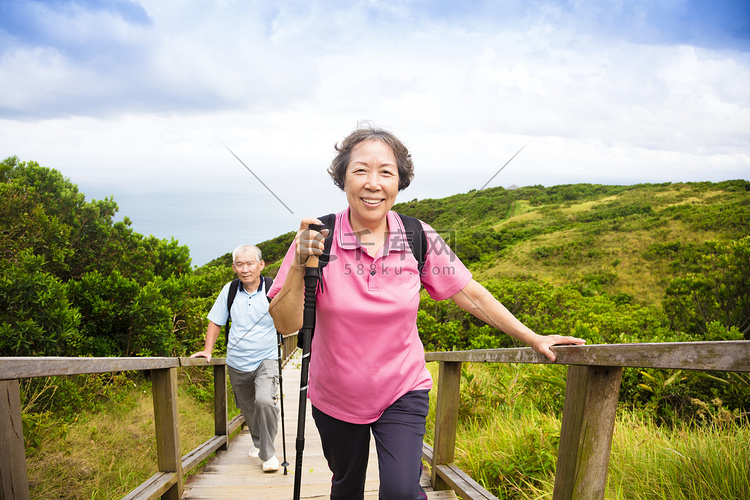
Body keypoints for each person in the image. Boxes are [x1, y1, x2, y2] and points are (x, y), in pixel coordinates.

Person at [268, 125, 585, 499]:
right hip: (335, 394)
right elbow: (287, 323)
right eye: (360, 170)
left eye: (386, 172)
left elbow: (472, 295)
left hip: (402, 388)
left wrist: (532, 337)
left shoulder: (418, 237)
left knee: (402, 492)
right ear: (342, 178)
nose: (373, 183)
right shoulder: (317, 237)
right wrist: (296, 266)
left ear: (400, 182)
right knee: (346, 487)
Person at [191, 244, 281, 473]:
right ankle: (260, 443)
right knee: (248, 408)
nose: (245, 269)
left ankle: (268, 455)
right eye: (239, 264)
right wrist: (208, 350)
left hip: (267, 358)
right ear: (233, 267)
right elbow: (216, 321)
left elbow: (289, 316)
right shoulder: (229, 291)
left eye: (250, 263)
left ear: (261, 265)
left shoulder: (272, 289)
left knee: (265, 401)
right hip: (237, 362)